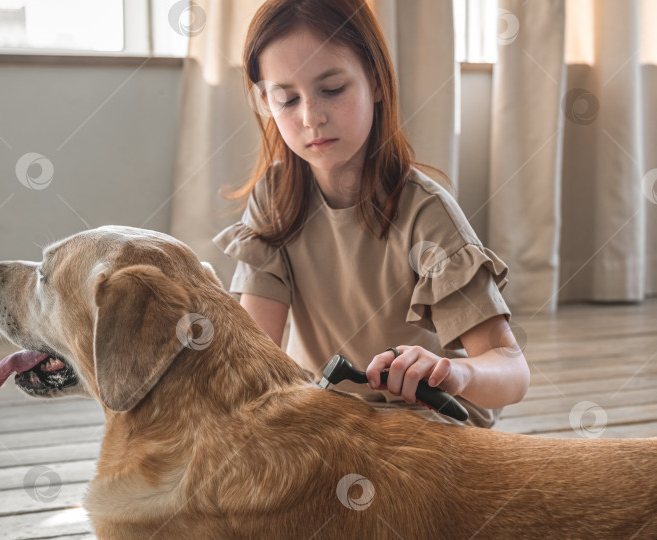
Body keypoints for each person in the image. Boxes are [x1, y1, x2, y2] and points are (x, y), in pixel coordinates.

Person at [212, 0, 530, 428]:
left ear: (377, 81)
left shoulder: (427, 213)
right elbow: (255, 359)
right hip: (330, 422)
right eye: (286, 99)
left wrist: (454, 371)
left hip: (427, 427)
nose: (311, 117)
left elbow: (511, 371)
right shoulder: (274, 198)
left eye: (332, 89)